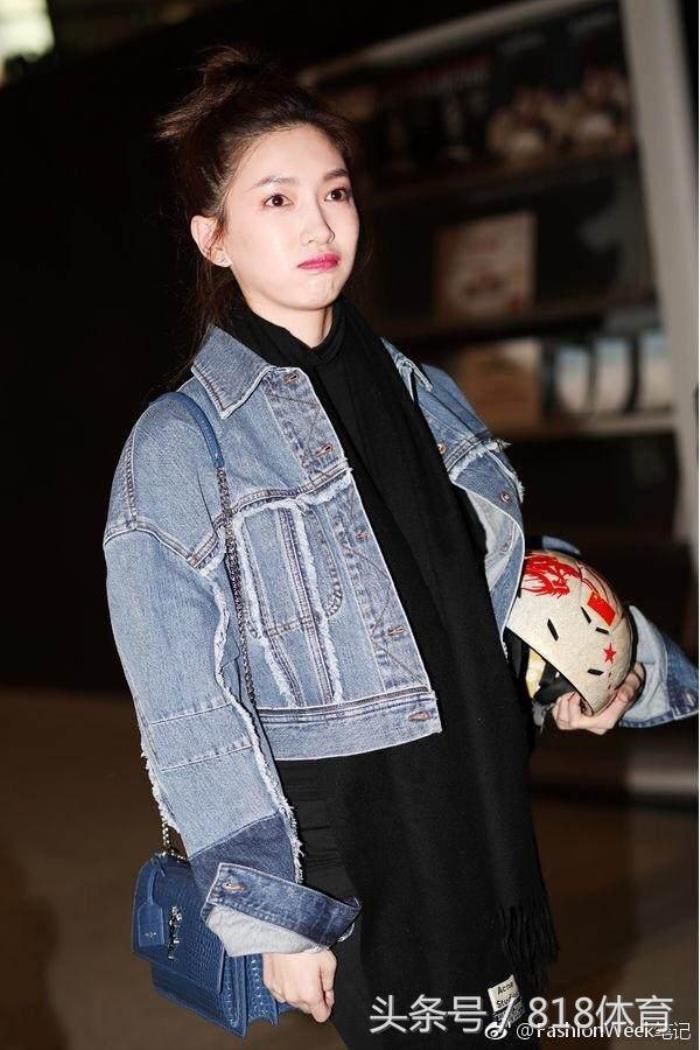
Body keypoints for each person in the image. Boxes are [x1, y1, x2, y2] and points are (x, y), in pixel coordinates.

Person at [103, 43, 693, 1049]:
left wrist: (602, 670)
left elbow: (485, 579)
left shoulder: (419, 388)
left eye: (334, 192)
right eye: (277, 200)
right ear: (214, 237)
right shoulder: (181, 443)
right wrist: (271, 912)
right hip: (362, 848)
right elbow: (187, 705)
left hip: (479, 806)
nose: (319, 223)